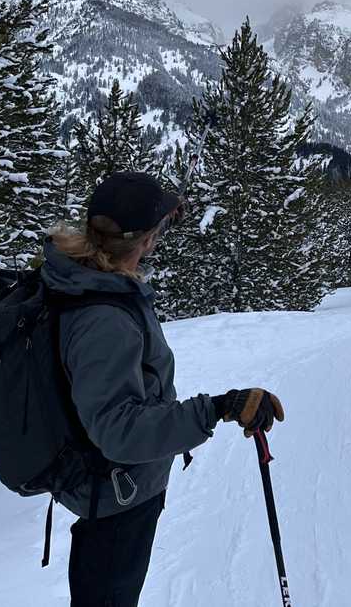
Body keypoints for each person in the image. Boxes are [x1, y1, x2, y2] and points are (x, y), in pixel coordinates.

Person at [45, 170, 284, 607]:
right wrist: (218, 408)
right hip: (117, 498)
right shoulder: (104, 319)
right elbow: (119, 430)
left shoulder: (85, 278)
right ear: (145, 241)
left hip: (115, 488)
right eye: (160, 229)